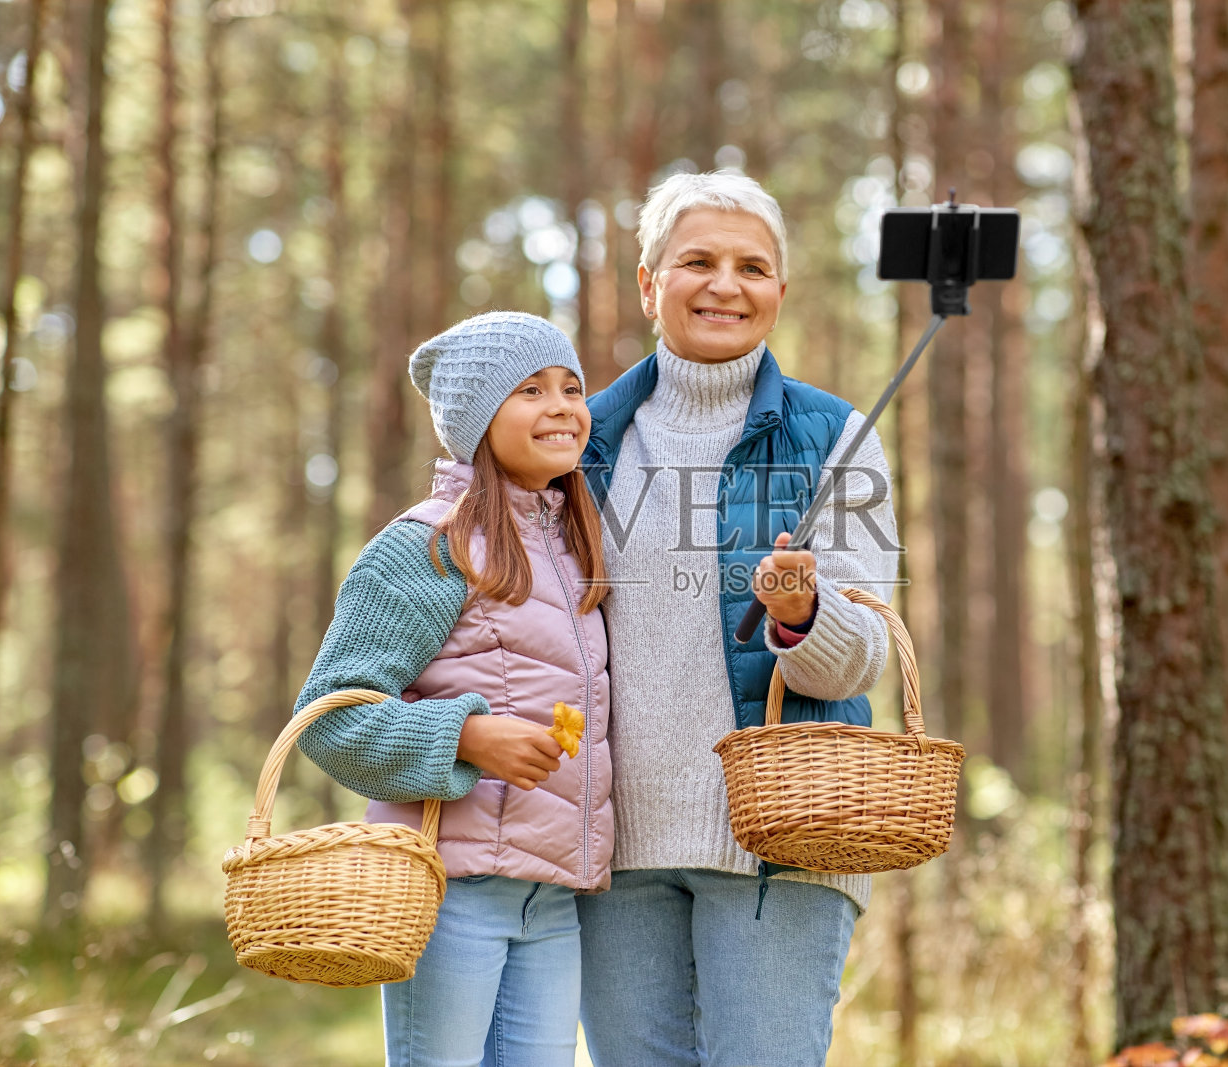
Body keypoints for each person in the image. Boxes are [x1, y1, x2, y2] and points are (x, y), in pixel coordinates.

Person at [577, 171, 900, 1066]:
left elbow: (857, 661)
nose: (727, 284)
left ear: (781, 293)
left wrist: (803, 613)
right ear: (649, 283)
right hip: (613, 846)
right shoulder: (581, 438)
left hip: (783, 842)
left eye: (753, 266)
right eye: (699, 262)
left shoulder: (837, 437)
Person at [293, 311, 611, 1067]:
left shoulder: (575, 549)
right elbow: (327, 715)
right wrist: (464, 736)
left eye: (571, 387)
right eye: (530, 390)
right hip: (450, 889)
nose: (562, 405)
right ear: (475, 420)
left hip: (554, 895)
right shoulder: (428, 545)